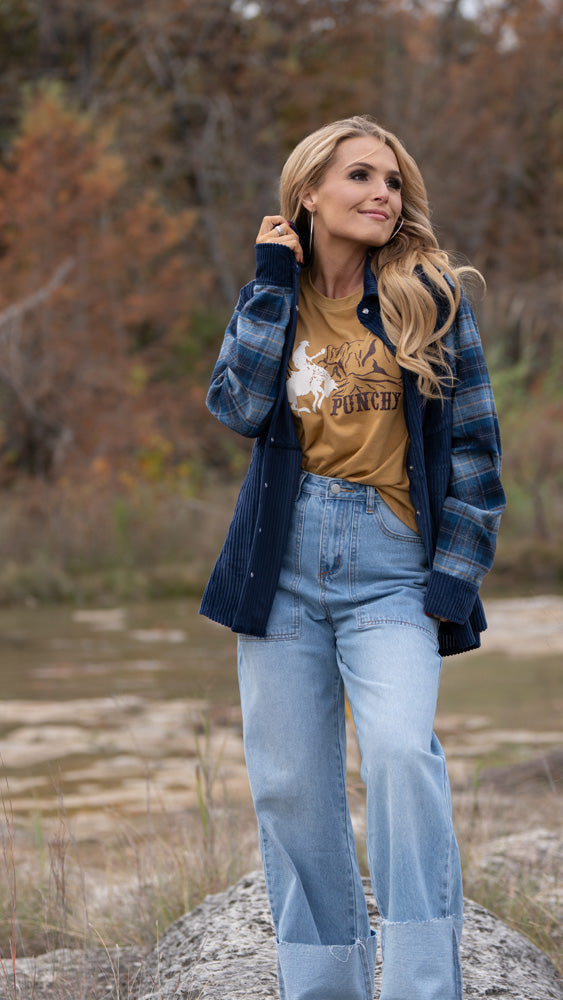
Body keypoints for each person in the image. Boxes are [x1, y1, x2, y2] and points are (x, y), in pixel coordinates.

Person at [200, 115, 505, 1000]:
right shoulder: (273, 298)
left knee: (403, 756)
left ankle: (421, 987)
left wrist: (454, 579)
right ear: (308, 194)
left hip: (392, 570)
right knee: (290, 789)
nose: (383, 193)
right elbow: (235, 407)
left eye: (393, 180)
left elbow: (476, 453)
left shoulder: (429, 296)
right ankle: (324, 988)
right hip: (280, 570)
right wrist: (270, 281)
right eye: (361, 176)